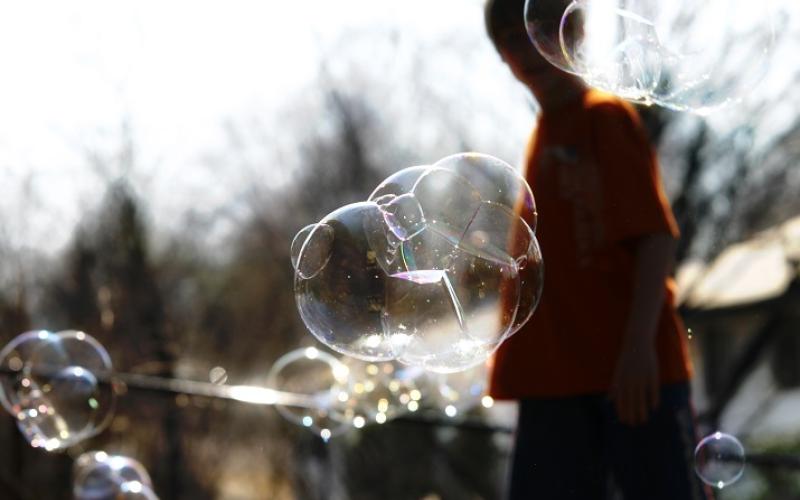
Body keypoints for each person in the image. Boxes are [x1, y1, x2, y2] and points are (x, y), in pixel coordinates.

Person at [484, 0, 711, 498]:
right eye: (509, 39)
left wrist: (636, 353)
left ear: (575, 30)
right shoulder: (542, 135)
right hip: (557, 379)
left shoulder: (603, 118)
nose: (525, 50)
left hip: (628, 381)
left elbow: (655, 238)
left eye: (536, 30)